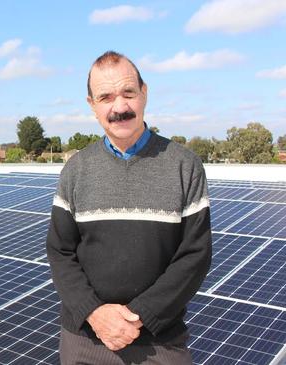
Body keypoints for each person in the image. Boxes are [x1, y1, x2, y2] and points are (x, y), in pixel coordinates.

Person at [46, 50, 212, 364]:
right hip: (83, 341)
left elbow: (195, 254)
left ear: (144, 93)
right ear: (92, 105)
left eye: (128, 93)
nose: (119, 107)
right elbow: (60, 251)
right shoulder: (76, 170)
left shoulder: (184, 165)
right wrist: (95, 314)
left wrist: (138, 317)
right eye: (105, 97)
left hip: (160, 343)